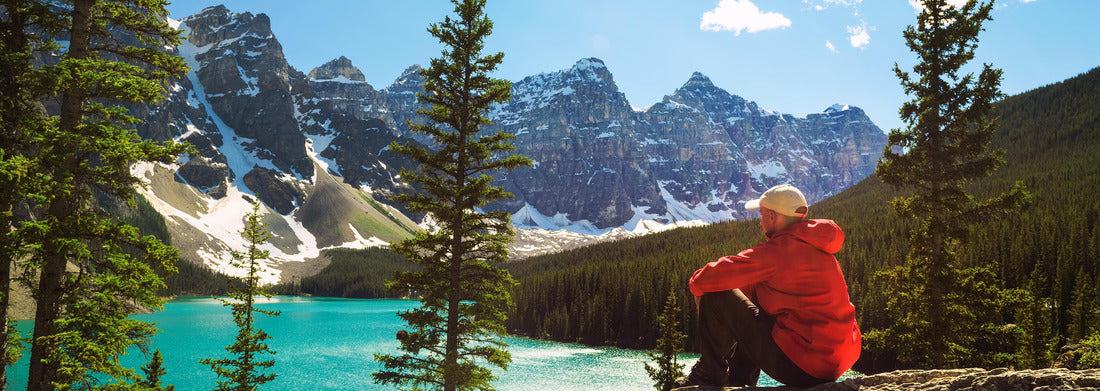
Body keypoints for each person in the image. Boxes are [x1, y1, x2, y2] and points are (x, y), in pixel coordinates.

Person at [676, 184, 861, 388]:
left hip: (803, 367)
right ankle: (738, 378)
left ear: (773, 217)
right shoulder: (820, 248)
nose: (760, 221)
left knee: (715, 294)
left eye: (763, 215)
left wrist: (701, 295)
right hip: (834, 363)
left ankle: (709, 376)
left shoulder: (776, 252)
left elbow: (707, 279)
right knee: (762, 301)